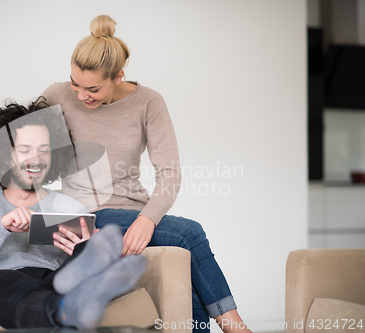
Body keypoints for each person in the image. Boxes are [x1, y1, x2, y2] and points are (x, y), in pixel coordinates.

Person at [41, 15, 251, 333]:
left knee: (183, 269)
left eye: (93, 88)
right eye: (75, 84)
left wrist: (147, 218)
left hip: (132, 214)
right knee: (188, 234)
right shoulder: (57, 96)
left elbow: (169, 171)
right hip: (81, 216)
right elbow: (20, 147)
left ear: (119, 75)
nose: (81, 95)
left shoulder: (148, 102)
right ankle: (237, 328)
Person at [0, 98, 147, 330]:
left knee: (77, 264)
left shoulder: (69, 207)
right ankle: (65, 309)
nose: (37, 159)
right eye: (25, 150)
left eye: (45, 151)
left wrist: (83, 249)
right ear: (4, 155)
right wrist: (0, 226)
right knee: (4, 283)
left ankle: (76, 296)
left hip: (54, 280)